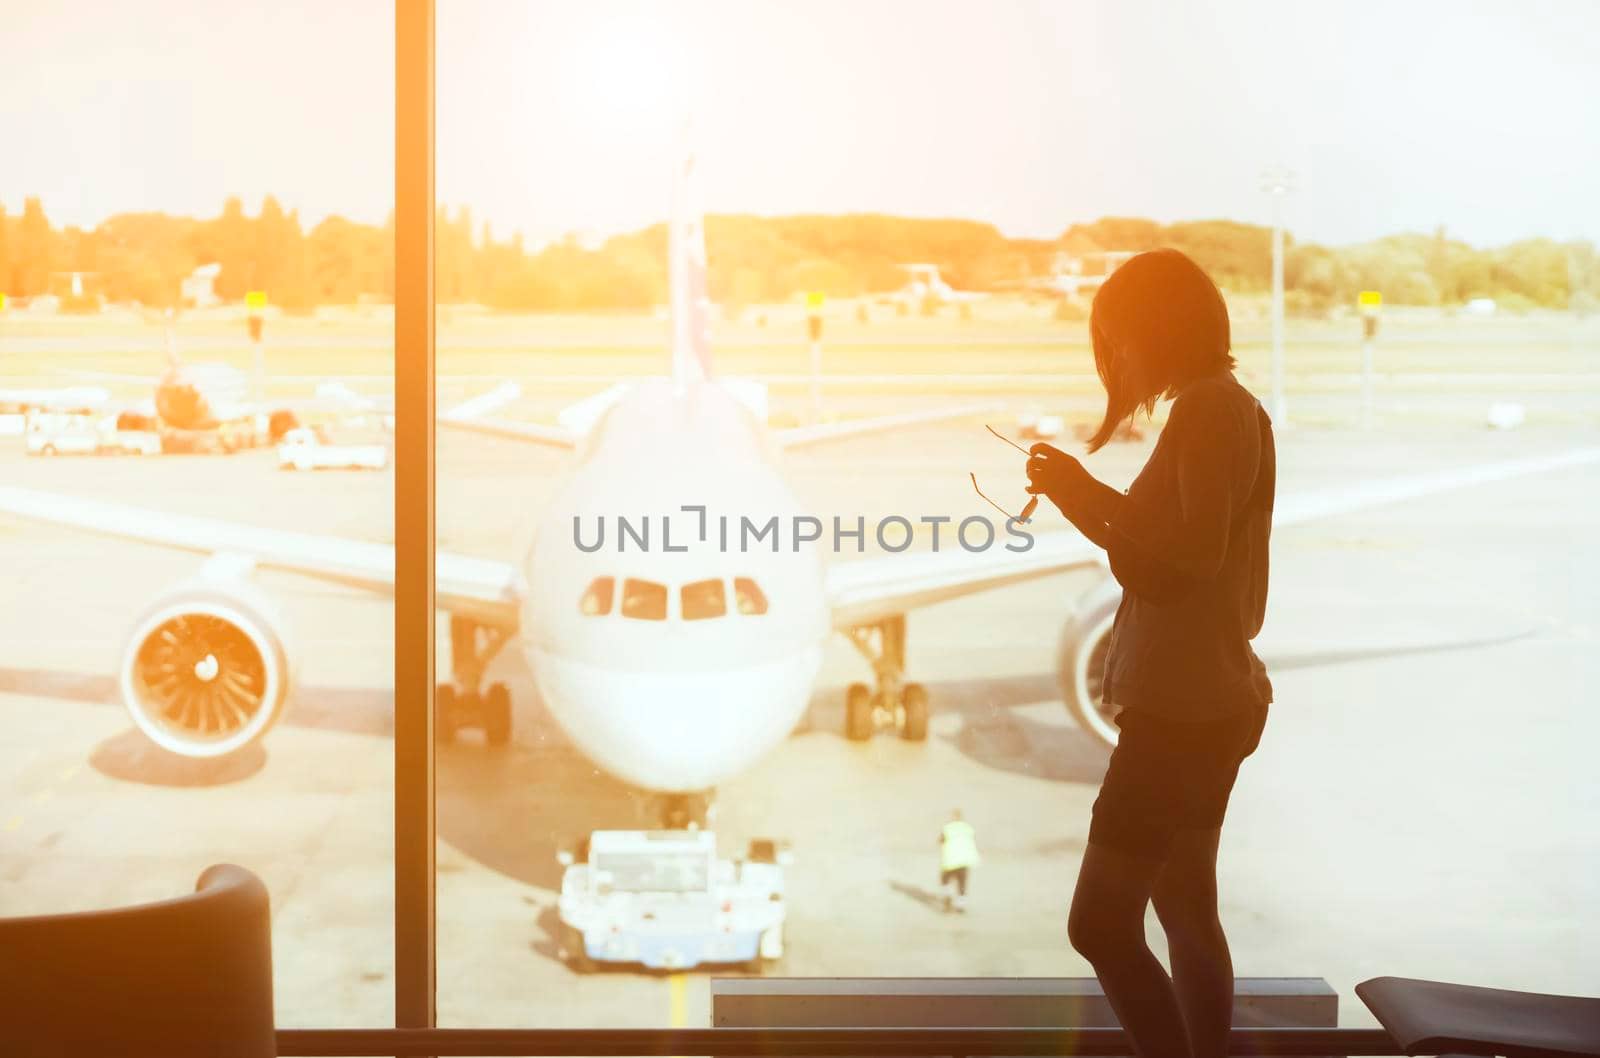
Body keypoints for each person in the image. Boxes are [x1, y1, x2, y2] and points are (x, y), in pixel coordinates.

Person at [1023, 249, 1275, 1058]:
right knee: (1187, 910)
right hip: (1218, 699)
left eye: (1119, 340)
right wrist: (1085, 498)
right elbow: (1181, 548)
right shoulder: (1233, 408)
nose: (1115, 359)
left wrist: (1081, 497)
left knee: (1098, 924)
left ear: (1151, 333)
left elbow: (1177, 564)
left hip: (1180, 715)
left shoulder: (1206, 412)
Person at [938, 809, 980, 912]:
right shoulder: (968, 828)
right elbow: (973, 839)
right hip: (964, 860)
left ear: (953, 817)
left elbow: (940, 840)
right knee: (962, 883)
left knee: (945, 880)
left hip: (951, 860)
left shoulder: (948, 828)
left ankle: (947, 898)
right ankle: (961, 905)